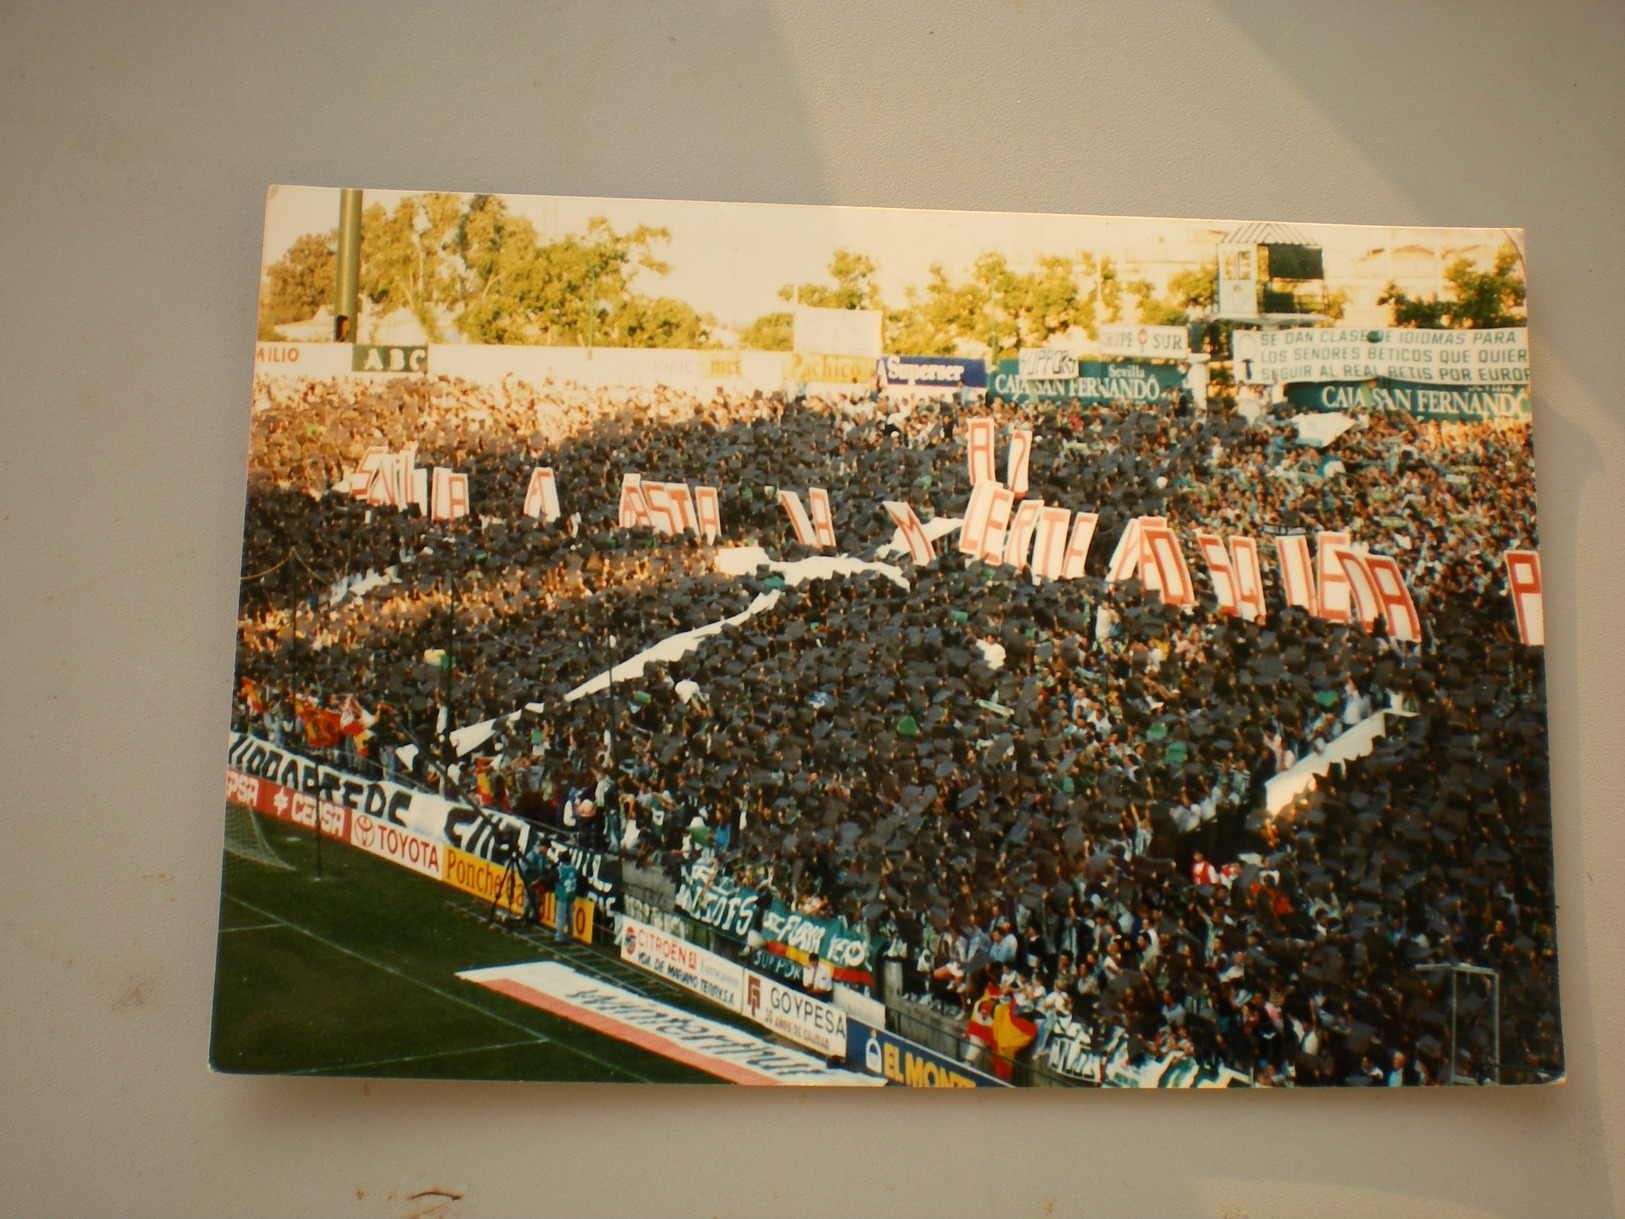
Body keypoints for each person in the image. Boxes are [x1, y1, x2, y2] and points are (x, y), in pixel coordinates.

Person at [553, 852, 579, 945]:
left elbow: (550, 878)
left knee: (560, 917)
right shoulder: (574, 869)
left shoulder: (559, 870)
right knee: (569, 916)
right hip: (571, 895)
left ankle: (559, 937)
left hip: (562, 895)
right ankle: (569, 935)